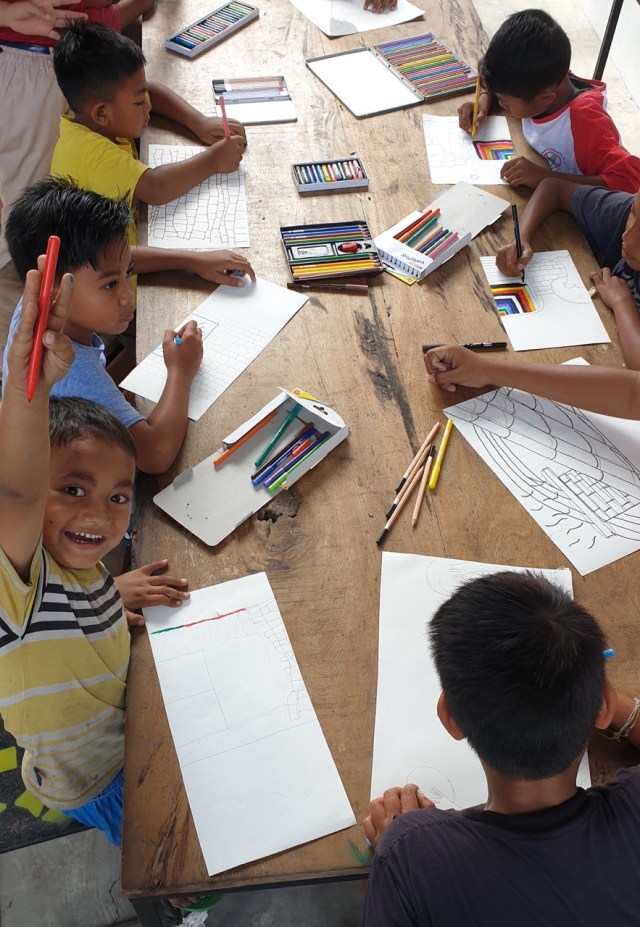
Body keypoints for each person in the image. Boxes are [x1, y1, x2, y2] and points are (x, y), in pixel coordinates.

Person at [362, 571, 640, 926]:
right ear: (603, 705)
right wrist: (606, 703)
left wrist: (396, 854)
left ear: (452, 718)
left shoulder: (413, 854)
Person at [0, 266, 138, 844]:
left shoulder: (80, 568)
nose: (99, 516)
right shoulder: (18, 585)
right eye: (73, 489)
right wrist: (24, 389)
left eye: (118, 497)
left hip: (126, 730)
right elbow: (19, 492)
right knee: (158, 853)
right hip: (97, 780)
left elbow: (70, 607)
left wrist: (113, 597)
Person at [1, 178, 251, 474]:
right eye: (110, 285)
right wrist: (181, 372)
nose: (126, 295)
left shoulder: (37, 300)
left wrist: (193, 260)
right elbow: (155, 454)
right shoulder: (75, 376)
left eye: (127, 273)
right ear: (54, 290)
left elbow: (117, 257)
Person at [51, 20, 247, 237]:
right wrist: (214, 160)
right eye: (138, 103)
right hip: (112, 265)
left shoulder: (94, 119)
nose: (149, 106)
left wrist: (197, 121)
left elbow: (150, 91)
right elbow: (156, 187)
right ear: (101, 113)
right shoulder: (90, 152)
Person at [458, 9, 640, 194]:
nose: (502, 104)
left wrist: (545, 178)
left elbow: (629, 182)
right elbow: (485, 66)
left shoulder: (586, 120)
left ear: (546, 98)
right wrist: (485, 97)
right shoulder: (540, 82)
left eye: (506, 102)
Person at [495, 177, 640, 371]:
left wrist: (622, 303)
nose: (628, 237)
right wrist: (521, 237)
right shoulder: (622, 211)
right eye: (634, 213)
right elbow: (553, 188)